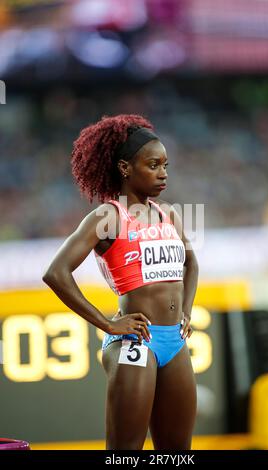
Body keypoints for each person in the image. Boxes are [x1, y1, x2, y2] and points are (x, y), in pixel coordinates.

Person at [42, 114, 199, 450]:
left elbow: (192, 262)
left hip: (176, 342)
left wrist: (186, 309)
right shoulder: (108, 217)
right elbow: (56, 273)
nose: (164, 174)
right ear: (125, 168)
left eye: (166, 165)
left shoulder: (168, 213)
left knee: (177, 454)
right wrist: (107, 325)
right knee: (125, 454)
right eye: (153, 165)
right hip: (136, 343)